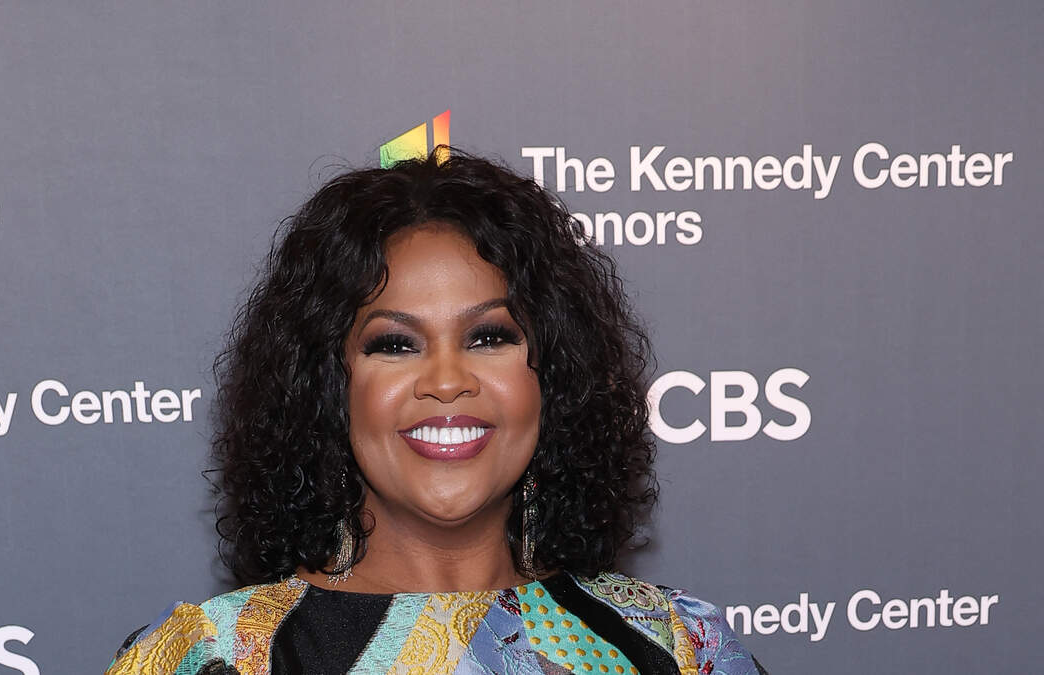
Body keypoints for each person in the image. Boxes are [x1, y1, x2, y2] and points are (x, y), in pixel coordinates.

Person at [105, 148, 765, 674]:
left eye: (489, 337)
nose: (447, 382)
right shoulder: (215, 658)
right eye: (395, 344)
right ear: (327, 387)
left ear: (555, 378)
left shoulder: (678, 647)